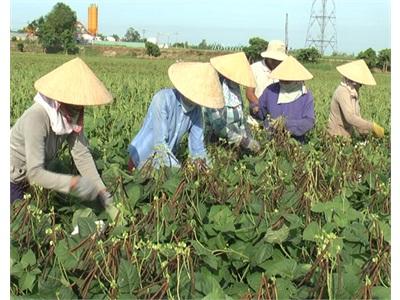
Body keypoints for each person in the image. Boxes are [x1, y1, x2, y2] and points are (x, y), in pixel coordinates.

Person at [10, 57, 113, 206]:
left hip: (33, 176)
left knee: (32, 216)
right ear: (61, 99)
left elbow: (81, 154)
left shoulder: (70, 115)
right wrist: (74, 184)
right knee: (18, 222)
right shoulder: (36, 117)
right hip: (12, 175)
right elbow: (35, 173)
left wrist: (103, 193)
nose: (79, 107)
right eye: (75, 102)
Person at [127, 62, 224, 170]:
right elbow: (160, 145)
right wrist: (179, 172)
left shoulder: (196, 112)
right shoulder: (163, 99)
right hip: (140, 160)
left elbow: (198, 149)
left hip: (166, 167)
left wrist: (209, 171)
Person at [204, 52, 261, 153]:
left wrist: (248, 138)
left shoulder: (234, 88)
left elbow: (241, 120)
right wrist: (243, 141)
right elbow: (219, 128)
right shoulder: (213, 90)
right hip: (217, 146)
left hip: (235, 146)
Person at [256, 56, 315, 143]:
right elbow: (261, 112)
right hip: (270, 140)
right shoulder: (271, 90)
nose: (283, 82)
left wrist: (285, 124)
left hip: (295, 142)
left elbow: (309, 122)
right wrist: (254, 108)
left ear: (296, 80)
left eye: (287, 80)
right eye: (281, 79)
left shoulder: (305, 96)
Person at [327, 59, 385, 138]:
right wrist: (372, 127)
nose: (360, 86)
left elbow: (357, 116)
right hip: (336, 136)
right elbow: (350, 117)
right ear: (354, 82)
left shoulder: (353, 92)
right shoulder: (343, 92)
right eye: (360, 84)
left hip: (347, 135)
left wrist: (365, 134)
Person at [246, 40, 288, 117]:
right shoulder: (254, 69)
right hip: (258, 110)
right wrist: (263, 108)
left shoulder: (283, 71)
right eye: (274, 60)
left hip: (279, 113)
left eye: (279, 60)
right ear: (268, 57)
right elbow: (249, 93)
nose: (277, 62)